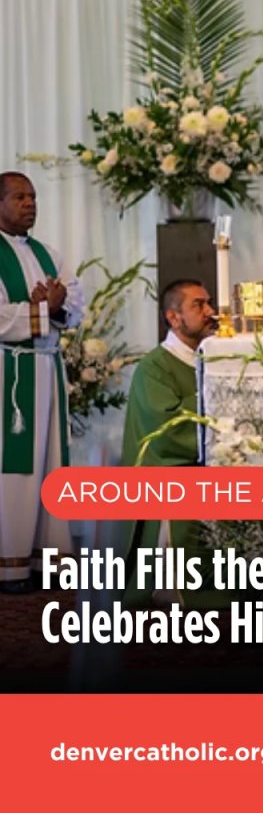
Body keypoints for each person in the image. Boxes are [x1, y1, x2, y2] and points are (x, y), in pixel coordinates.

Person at [0, 171, 83, 593]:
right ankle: (9, 562)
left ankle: (45, 559)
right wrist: (40, 311)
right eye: (19, 197)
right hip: (8, 377)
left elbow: (76, 301)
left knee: (51, 463)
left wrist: (56, 306)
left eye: (33, 197)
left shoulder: (49, 253)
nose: (30, 204)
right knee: (12, 468)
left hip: (47, 369)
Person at [121, 279, 216, 603]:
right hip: (169, 469)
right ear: (173, 318)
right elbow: (167, 430)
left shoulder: (211, 361)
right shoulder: (154, 367)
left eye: (208, 304)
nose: (211, 312)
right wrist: (215, 415)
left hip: (203, 460)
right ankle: (174, 584)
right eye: (199, 305)